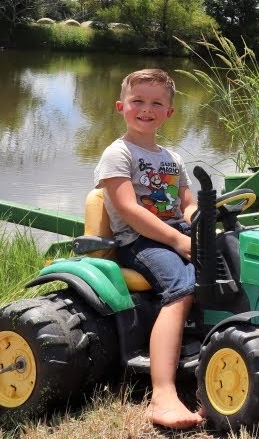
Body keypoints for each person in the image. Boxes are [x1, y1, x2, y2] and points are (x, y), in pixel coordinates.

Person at [93, 68, 204, 430]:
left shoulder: (172, 158)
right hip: (138, 240)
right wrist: (177, 240)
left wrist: (201, 224)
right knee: (181, 287)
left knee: (231, 261)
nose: (146, 109)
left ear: (169, 112)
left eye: (156, 103)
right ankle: (162, 394)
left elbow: (187, 204)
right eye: (138, 100)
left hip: (175, 232)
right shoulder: (117, 154)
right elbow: (129, 210)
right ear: (121, 106)